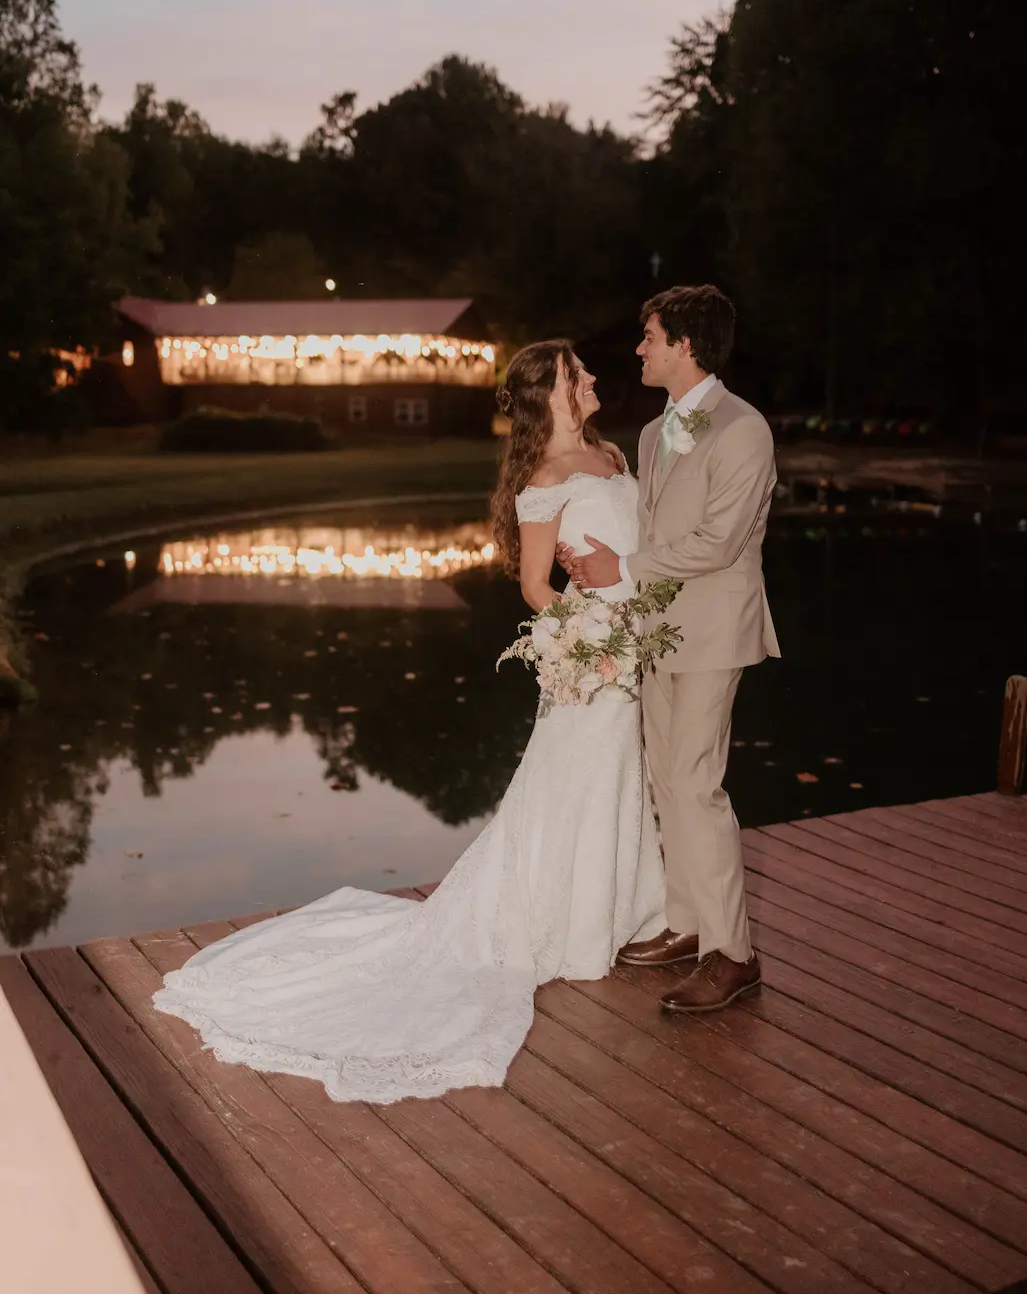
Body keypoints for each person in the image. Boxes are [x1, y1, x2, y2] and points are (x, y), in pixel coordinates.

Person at [152, 339, 666, 1104]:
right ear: (548, 393)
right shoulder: (544, 478)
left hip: (636, 646)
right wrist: (589, 640)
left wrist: (633, 622)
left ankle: (624, 908)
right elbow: (534, 585)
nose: (592, 378)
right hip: (596, 655)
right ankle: (566, 921)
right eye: (576, 373)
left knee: (621, 779)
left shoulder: (612, 457)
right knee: (573, 783)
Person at [559, 285, 779, 1013]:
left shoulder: (743, 429)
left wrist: (621, 570)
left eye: (650, 337)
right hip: (654, 632)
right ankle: (687, 924)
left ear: (685, 345)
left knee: (695, 782)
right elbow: (652, 529)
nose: (639, 349)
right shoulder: (654, 433)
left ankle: (732, 954)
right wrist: (595, 567)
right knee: (665, 780)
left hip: (714, 630)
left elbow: (718, 543)